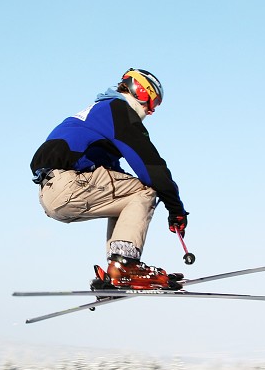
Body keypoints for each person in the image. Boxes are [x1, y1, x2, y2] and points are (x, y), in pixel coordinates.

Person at [30, 68, 188, 290]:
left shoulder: (97, 114)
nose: (151, 111)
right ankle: (125, 266)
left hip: (51, 193)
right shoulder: (118, 110)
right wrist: (175, 208)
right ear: (140, 91)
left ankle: (117, 271)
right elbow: (151, 166)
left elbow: (116, 179)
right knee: (145, 190)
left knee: (128, 196)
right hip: (70, 184)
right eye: (152, 103)